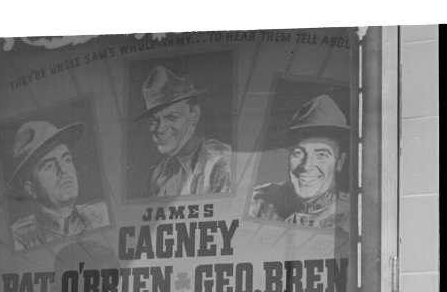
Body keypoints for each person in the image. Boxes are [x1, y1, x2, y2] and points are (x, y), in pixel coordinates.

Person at [249, 94, 350, 230]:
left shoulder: (356, 216)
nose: (307, 166)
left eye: (321, 155)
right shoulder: (258, 203)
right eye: (298, 153)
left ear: (339, 162)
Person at [9, 119, 109, 250]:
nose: (63, 170)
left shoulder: (102, 215)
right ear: (31, 188)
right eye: (49, 166)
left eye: (67, 159)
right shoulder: (19, 239)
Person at [135, 65, 231, 197]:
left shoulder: (220, 163)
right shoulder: (159, 173)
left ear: (194, 116)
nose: (160, 128)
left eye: (172, 117)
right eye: (154, 120)